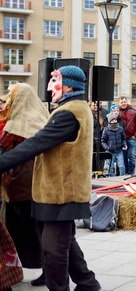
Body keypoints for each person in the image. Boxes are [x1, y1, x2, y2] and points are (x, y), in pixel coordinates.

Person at [0, 65, 101, 291]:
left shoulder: (68, 113)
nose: (49, 87)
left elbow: (35, 144)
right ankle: (88, 284)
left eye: (55, 80)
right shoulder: (73, 108)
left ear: (69, 85)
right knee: (67, 243)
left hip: (62, 193)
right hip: (60, 192)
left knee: (53, 249)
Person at [0, 83, 47, 281]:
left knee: (36, 230)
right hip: (21, 184)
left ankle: (47, 269)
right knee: (19, 230)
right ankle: (15, 270)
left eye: (11, 96)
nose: (7, 100)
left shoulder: (22, 123)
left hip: (27, 184)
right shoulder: (17, 119)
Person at [118, 96, 136, 175]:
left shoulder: (133, 111)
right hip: (122, 138)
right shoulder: (117, 112)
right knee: (123, 157)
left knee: (131, 156)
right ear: (119, 103)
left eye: (124, 102)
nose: (123, 103)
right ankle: (125, 173)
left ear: (127, 102)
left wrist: (135, 135)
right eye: (122, 102)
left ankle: (131, 173)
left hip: (132, 137)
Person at [101, 112, 127, 177]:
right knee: (110, 168)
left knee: (121, 166)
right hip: (110, 152)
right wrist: (107, 148)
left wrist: (124, 144)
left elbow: (124, 138)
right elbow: (103, 141)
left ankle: (122, 177)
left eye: (115, 119)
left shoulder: (120, 129)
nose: (114, 121)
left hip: (119, 151)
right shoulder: (106, 130)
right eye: (112, 120)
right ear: (110, 121)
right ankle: (112, 179)